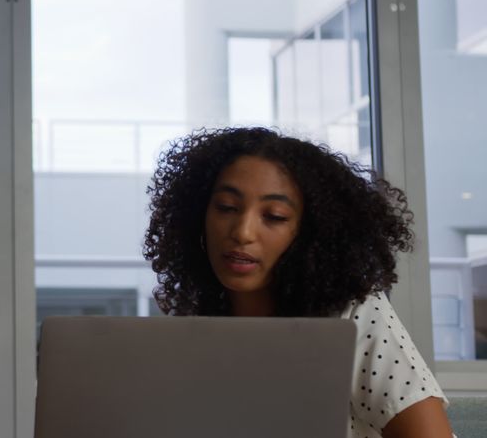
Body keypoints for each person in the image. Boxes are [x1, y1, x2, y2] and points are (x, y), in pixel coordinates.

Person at [142, 127, 453, 438]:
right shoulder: (196, 324)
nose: (242, 232)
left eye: (274, 216)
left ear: (309, 233)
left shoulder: (351, 313)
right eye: (226, 208)